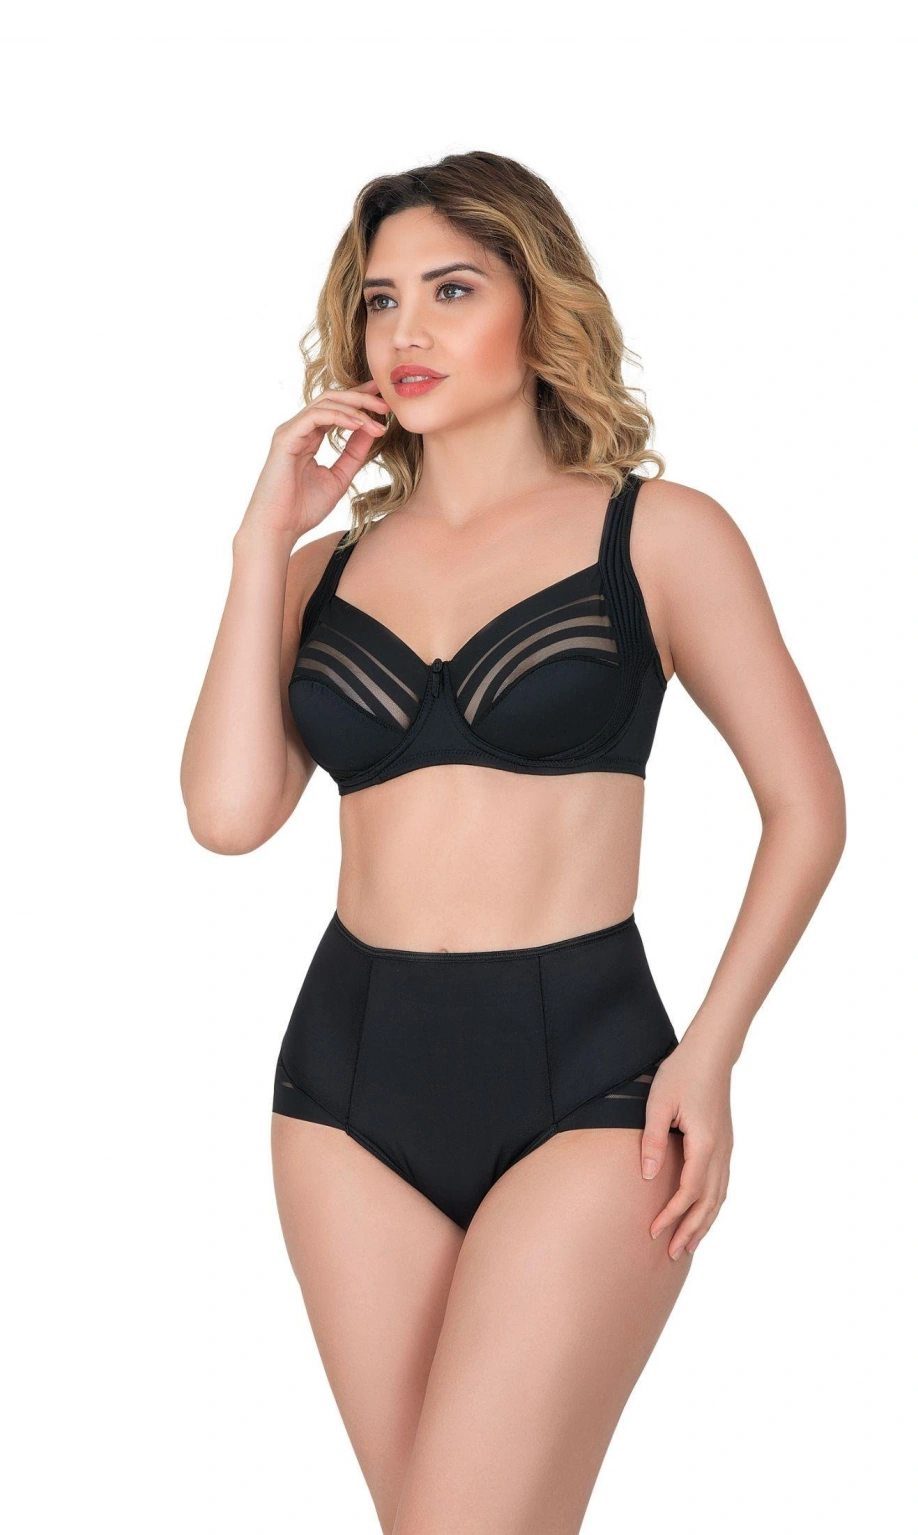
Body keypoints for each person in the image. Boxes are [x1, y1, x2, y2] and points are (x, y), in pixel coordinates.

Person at [180, 150, 845, 1535]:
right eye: (379, 301)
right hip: (342, 1093)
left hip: (591, 1083)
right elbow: (230, 816)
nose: (404, 331)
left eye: (451, 290)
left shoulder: (658, 535)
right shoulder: (318, 573)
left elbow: (807, 806)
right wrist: (260, 543)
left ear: (538, 307)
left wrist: (711, 1051)